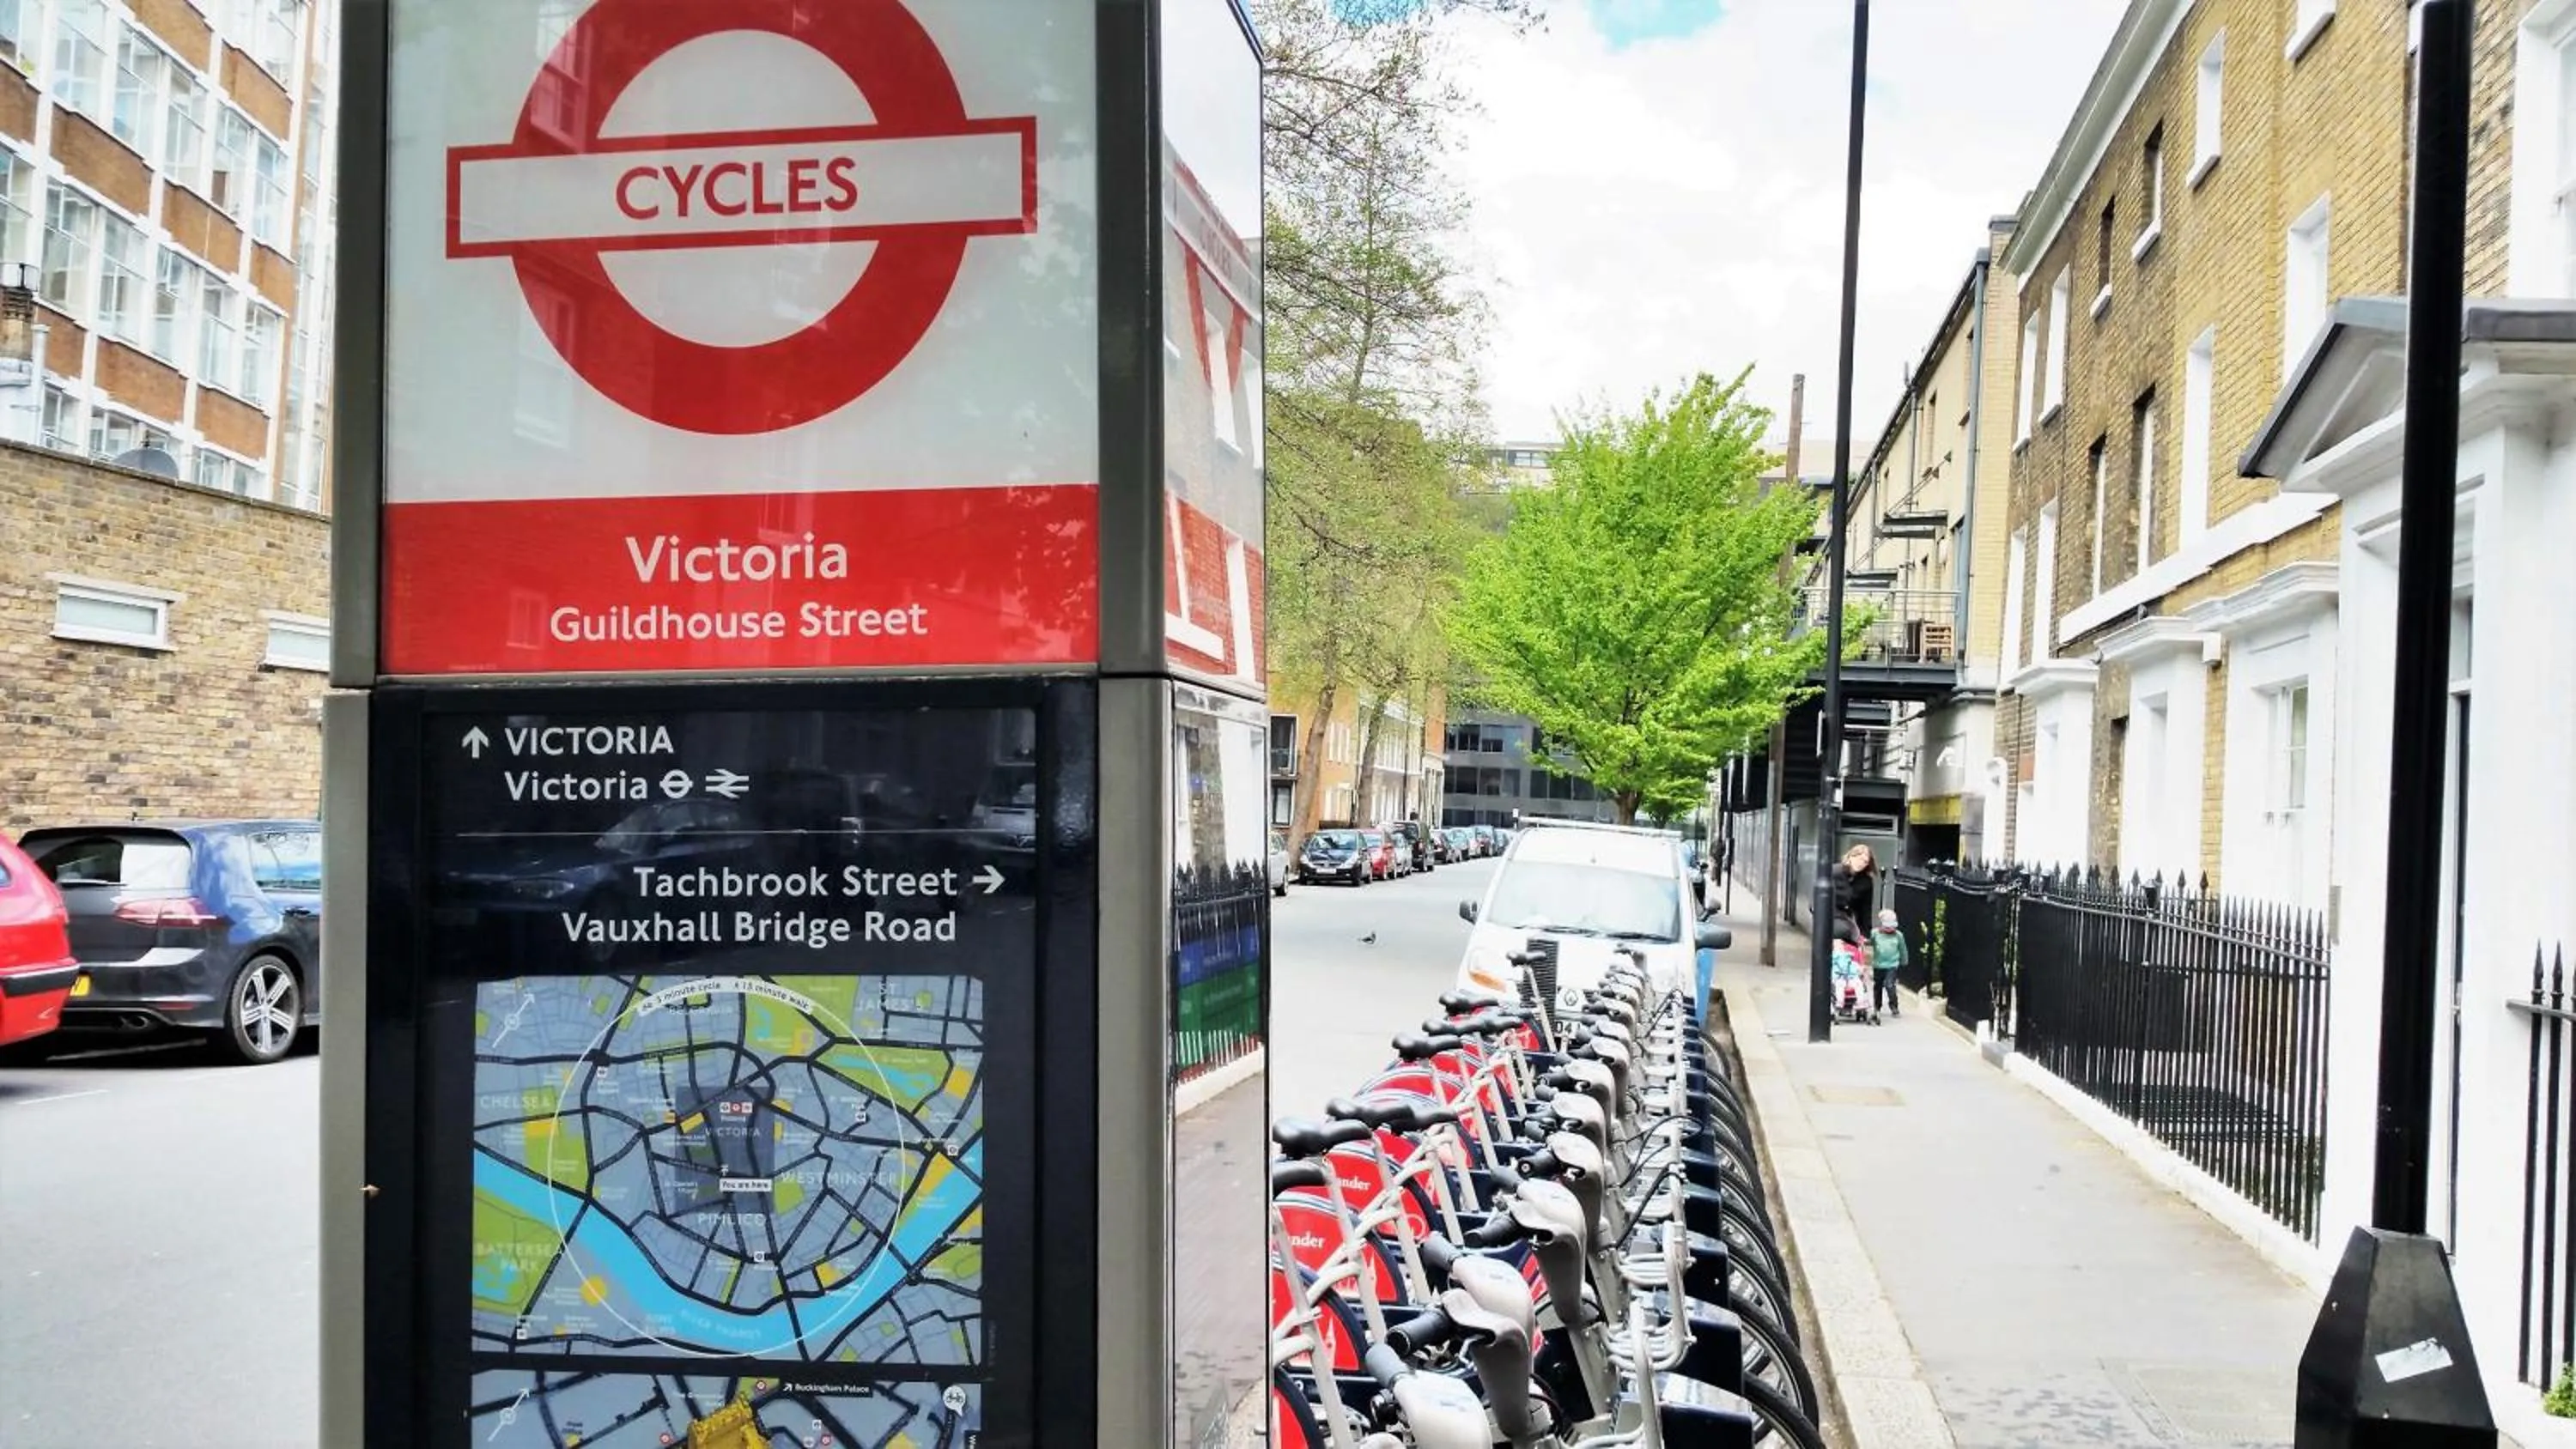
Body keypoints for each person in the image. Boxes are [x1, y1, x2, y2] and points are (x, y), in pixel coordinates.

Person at [1831, 844, 1877, 946]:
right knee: (1840, 932)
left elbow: (1865, 910)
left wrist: (1865, 934)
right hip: (1829, 914)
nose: (1861, 863)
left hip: (1845, 918)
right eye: (1859, 858)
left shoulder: (1866, 882)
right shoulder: (1834, 872)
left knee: (1850, 939)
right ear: (1851, 857)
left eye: (1865, 862)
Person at [1868, 908, 1907, 1018]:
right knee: (1878, 985)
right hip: (1878, 964)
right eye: (1887, 926)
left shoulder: (1898, 935)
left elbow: (1903, 948)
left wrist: (1904, 961)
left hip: (1892, 964)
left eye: (1892, 926)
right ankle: (1877, 1006)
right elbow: (1871, 943)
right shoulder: (1875, 933)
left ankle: (1894, 1006)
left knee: (1890, 985)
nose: (1890, 929)